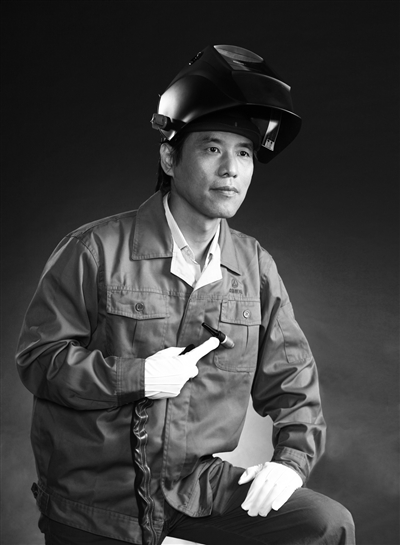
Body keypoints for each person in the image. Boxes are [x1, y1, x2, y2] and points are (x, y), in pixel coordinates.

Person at [16, 45, 355, 545]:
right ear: (169, 157)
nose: (231, 169)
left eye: (244, 153)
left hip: (193, 487)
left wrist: (291, 462)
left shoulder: (253, 267)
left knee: (326, 525)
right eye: (213, 148)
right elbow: (38, 360)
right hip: (97, 499)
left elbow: (293, 380)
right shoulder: (94, 250)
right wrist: (137, 376)